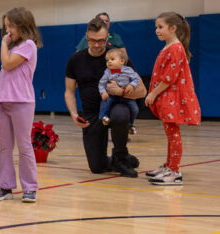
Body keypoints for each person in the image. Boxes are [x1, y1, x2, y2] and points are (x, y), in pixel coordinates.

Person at [65, 17, 145, 177]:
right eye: (92, 40)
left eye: (100, 41)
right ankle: (115, 160)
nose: (96, 45)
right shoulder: (75, 60)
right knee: (96, 167)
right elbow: (69, 92)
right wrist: (74, 114)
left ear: (108, 37)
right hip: (92, 114)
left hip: (116, 105)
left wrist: (121, 92)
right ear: (86, 37)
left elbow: (142, 91)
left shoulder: (119, 59)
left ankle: (121, 157)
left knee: (121, 114)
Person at [0, 8, 41, 203]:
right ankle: (5, 186)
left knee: (24, 145)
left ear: (23, 25)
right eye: (6, 26)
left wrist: (3, 43)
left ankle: (30, 187)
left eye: (11, 26)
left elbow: (8, 64)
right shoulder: (11, 48)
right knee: (5, 147)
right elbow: (4, 76)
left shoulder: (28, 45)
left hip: (22, 102)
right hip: (4, 102)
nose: (7, 30)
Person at [144, 12, 201, 186]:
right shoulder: (169, 47)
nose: (157, 30)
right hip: (167, 96)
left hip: (172, 97)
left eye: (160, 27)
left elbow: (169, 76)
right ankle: (169, 166)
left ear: (173, 28)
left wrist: (153, 93)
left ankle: (174, 171)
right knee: (170, 133)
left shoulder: (176, 48)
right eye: (156, 27)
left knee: (173, 133)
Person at [98, 48, 139, 133]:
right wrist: (103, 92)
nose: (109, 62)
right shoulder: (107, 72)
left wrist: (132, 85)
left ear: (122, 61)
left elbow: (136, 79)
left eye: (112, 59)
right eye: (107, 60)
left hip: (126, 96)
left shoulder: (128, 70)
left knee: (135, 108)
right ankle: (103, 117)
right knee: (105, 102)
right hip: (112, 95)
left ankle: (130, 125)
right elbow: (101, 83)